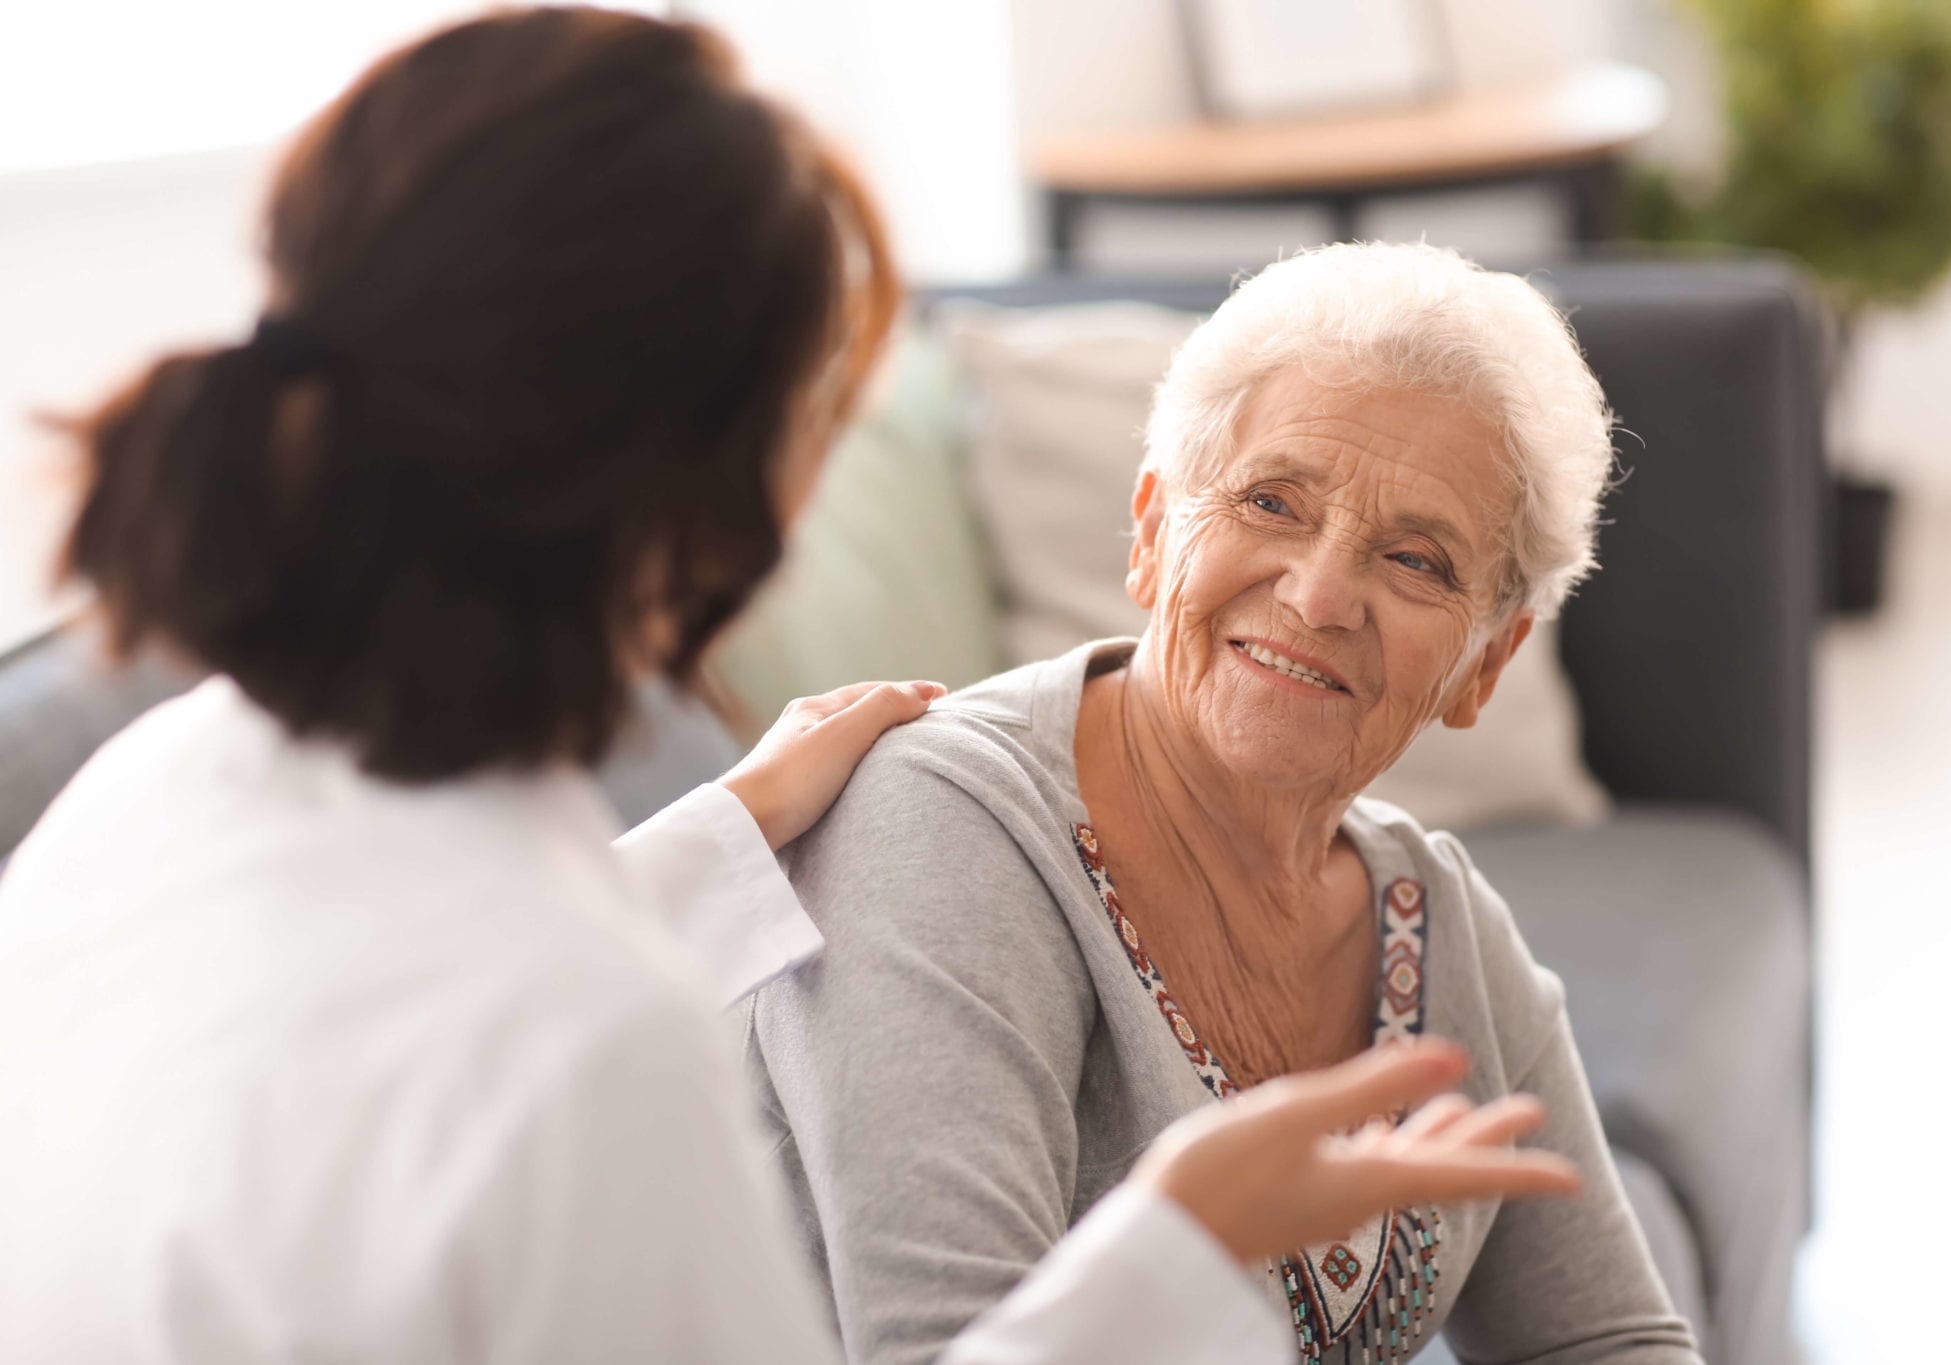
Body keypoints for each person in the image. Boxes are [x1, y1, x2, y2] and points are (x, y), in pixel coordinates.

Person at [0, 12, 1580, 1363]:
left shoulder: (152, 792)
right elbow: (492, 1046)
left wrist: (715, 843)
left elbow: (376, 1035)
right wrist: (1176, 1244)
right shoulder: (583, 1043)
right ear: (725, 495)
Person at [745, 242, 1706, 1364]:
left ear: (1485, 666)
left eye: (1415, 561)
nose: (1319, 593)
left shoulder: (1435, 921)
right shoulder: (940, 826)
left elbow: (1608, 1341)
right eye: (1270, 501)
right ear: (1152, 534)